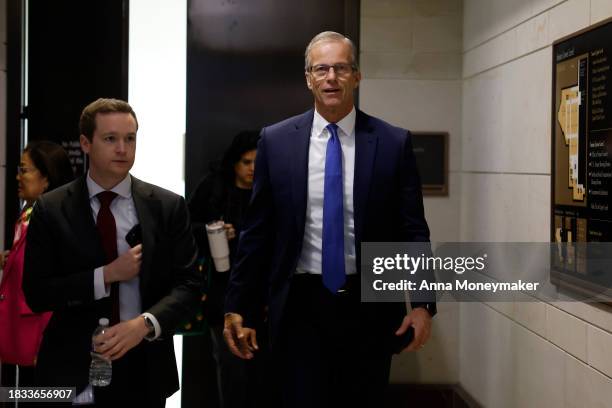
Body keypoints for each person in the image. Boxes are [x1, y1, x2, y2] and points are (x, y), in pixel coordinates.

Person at [223, 31, 437, 407]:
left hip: (369, 306)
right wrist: (239, 304)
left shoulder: (392, 143)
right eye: (321, 69)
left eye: (340, 68)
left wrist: (421, 303)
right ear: (308, 78)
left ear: (357, 75)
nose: (331, 78)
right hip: (299, 307)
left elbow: (412, 230)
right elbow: (257, 233)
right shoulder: (275, 142)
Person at [22, 98, 201, 407]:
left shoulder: (167, 206)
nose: (122, 148)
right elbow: (37, 293)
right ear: (85, 143)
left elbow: (189, 285)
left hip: (144, 365)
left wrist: (145, 324)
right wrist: (104, 276)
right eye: (110, 139)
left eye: (130, 138)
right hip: (72, 367)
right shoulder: (51, 209)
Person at [189, 131, 271, 408]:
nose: (253, 169)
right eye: (247, 162)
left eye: (258, 162)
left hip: (264, 291)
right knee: (230, 366)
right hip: (222, 288)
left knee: (263, 369)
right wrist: (213, 231)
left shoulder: (270, 190)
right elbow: (185, 228)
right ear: (234, 163)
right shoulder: (214, 188)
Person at [0, 141, 73, 387]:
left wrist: (44, 342)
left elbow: (55, 289)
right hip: (20, 333)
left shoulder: (53, 223)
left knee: (45, 396)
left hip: (40, 341)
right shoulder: (27, 215)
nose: (18, 177)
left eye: (24, 170)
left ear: (47, 179)